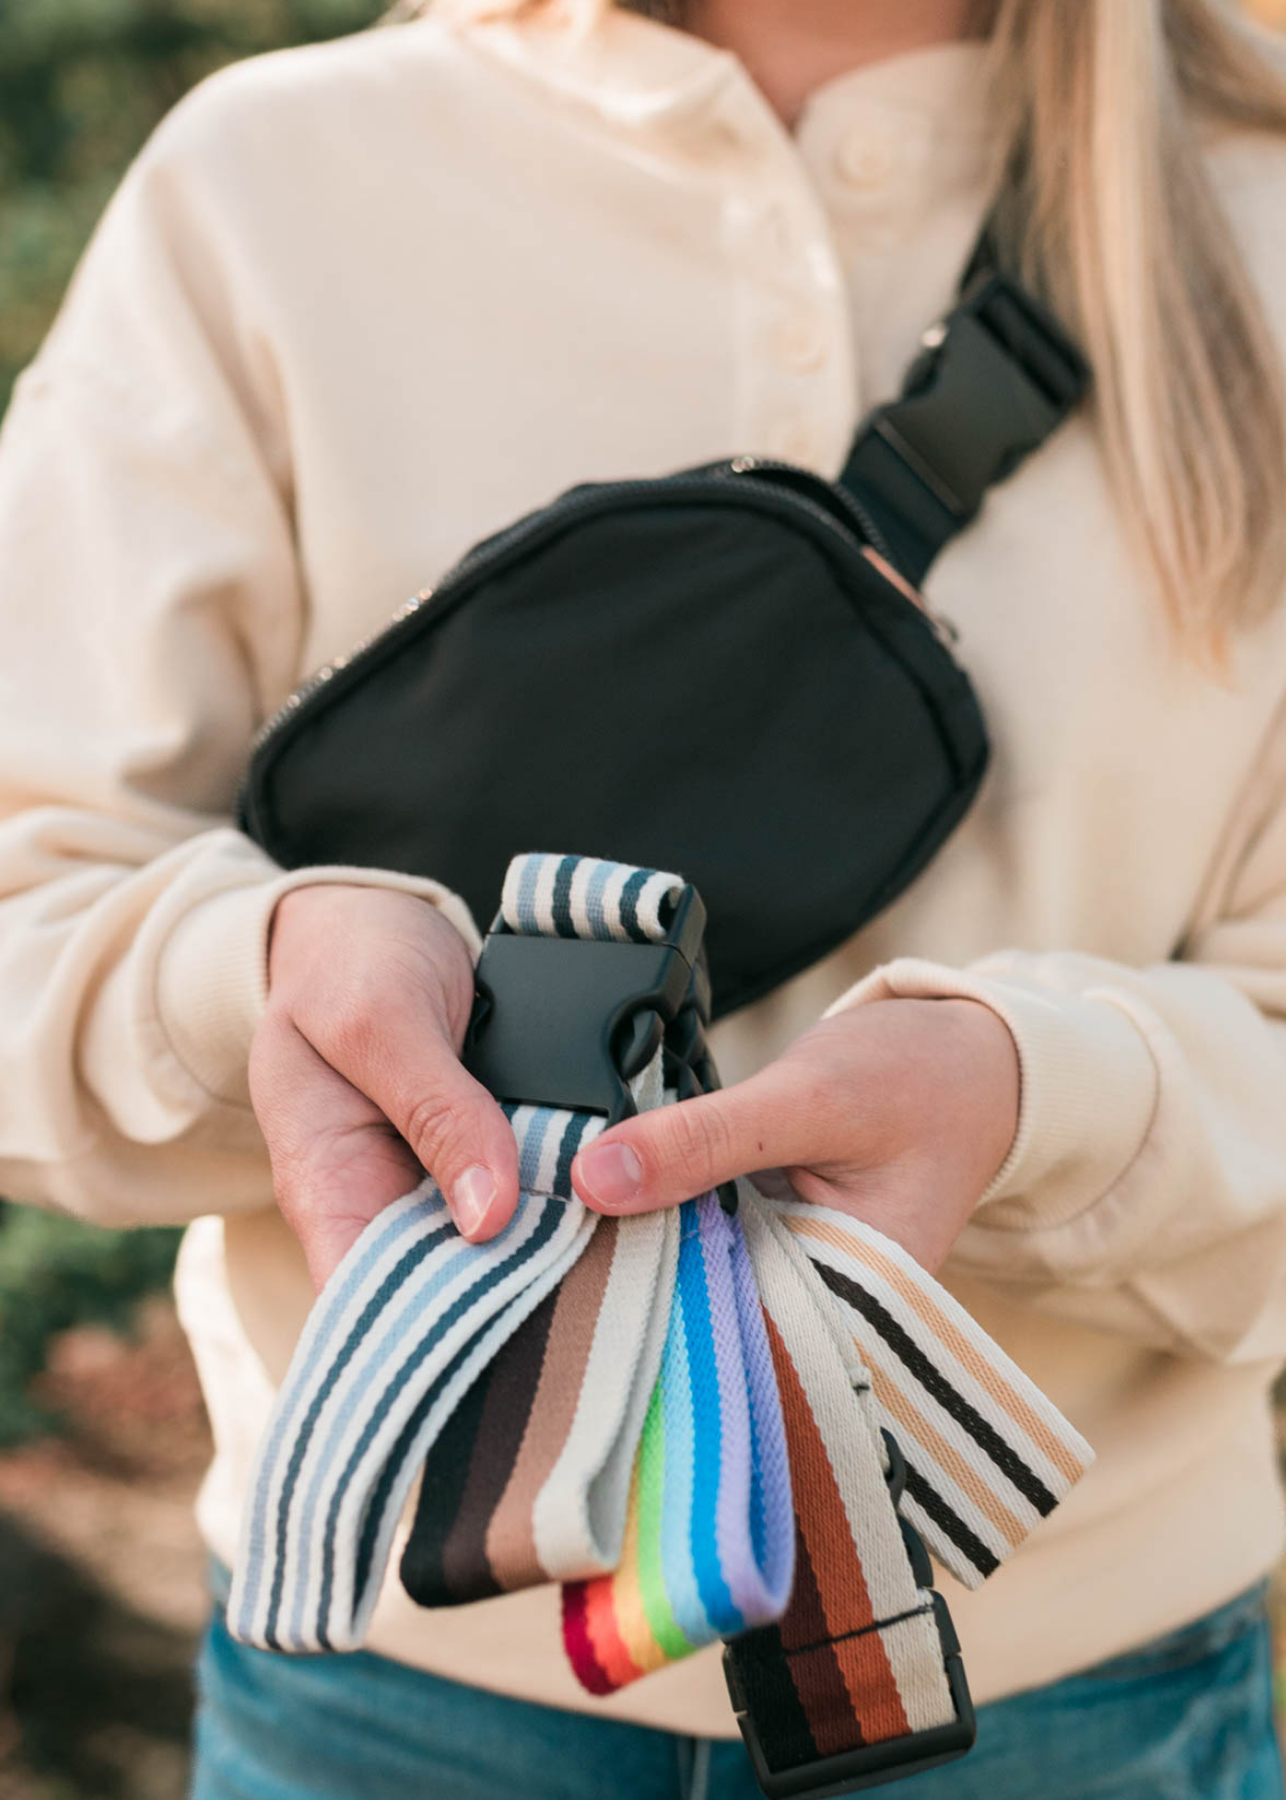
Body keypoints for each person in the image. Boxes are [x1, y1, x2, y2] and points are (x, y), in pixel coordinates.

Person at [2, 0, 1286, 1793]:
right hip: (389, 1686)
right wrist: (259, 978)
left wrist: (1040, 1103)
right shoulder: (279, 187)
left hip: (1065, 1698)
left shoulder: (1254, 211)